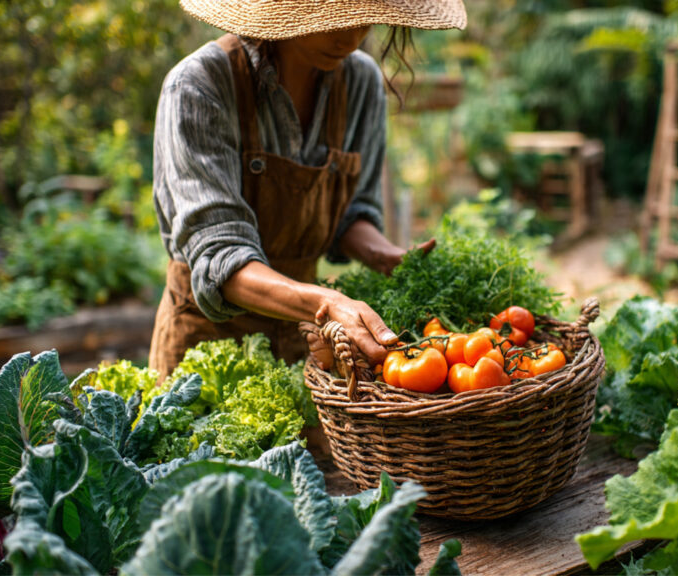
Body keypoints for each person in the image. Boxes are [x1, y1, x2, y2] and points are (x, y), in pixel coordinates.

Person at [148, 0, 467, 379]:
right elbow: (221, 260)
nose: (351, 37)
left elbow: (349, 212)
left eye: (363, 19)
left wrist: (383, 255)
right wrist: (327, 302)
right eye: (334, 19)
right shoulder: (200, 85)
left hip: (307, 339)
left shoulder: (361, 82)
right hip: (208, 344)